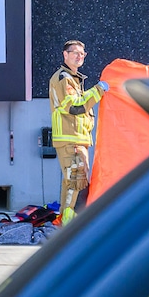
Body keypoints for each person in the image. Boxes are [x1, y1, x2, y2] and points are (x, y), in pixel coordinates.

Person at [48, 40, 109, 225]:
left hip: (76, 139)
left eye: (82, 53)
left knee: (72, 182)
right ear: (65, 54)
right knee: (76, 182)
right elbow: (75, 107)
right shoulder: (64, 78)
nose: (79, 56)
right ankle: (71, 224)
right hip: (71, 140)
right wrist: (98, 90)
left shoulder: (73, 79)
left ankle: (66, 221)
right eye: (75, 52)